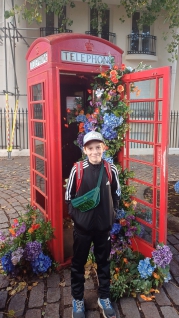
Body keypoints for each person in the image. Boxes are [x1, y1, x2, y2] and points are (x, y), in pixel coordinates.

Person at [65, 131, 121, 318]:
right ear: (85, 150)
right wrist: (77, 219)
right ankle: (78, 299)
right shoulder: (78, 170)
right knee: (78, 264)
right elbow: (69, 197)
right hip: (82, 229)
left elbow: (116, 194)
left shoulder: (110, 169)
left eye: (98, 147)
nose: (95, 151)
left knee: (103, 263)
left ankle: (103, 297)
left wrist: (111, 215)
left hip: (103, 228)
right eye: (91, 148)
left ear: (103, 148)